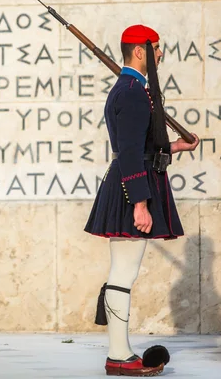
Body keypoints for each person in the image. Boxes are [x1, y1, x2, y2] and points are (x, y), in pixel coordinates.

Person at [84, 24, 199, 376]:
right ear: (140, 51)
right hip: (130, 186)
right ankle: (119, 356)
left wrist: (175, 146)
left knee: (124, 271)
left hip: (130, 181)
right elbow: (131, 151)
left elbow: (142, 144)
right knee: (123, 271)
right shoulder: (133, 91)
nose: (160, 54)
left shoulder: (133, 89)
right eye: (156, 49)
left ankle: (120, 353)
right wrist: (139, 202)